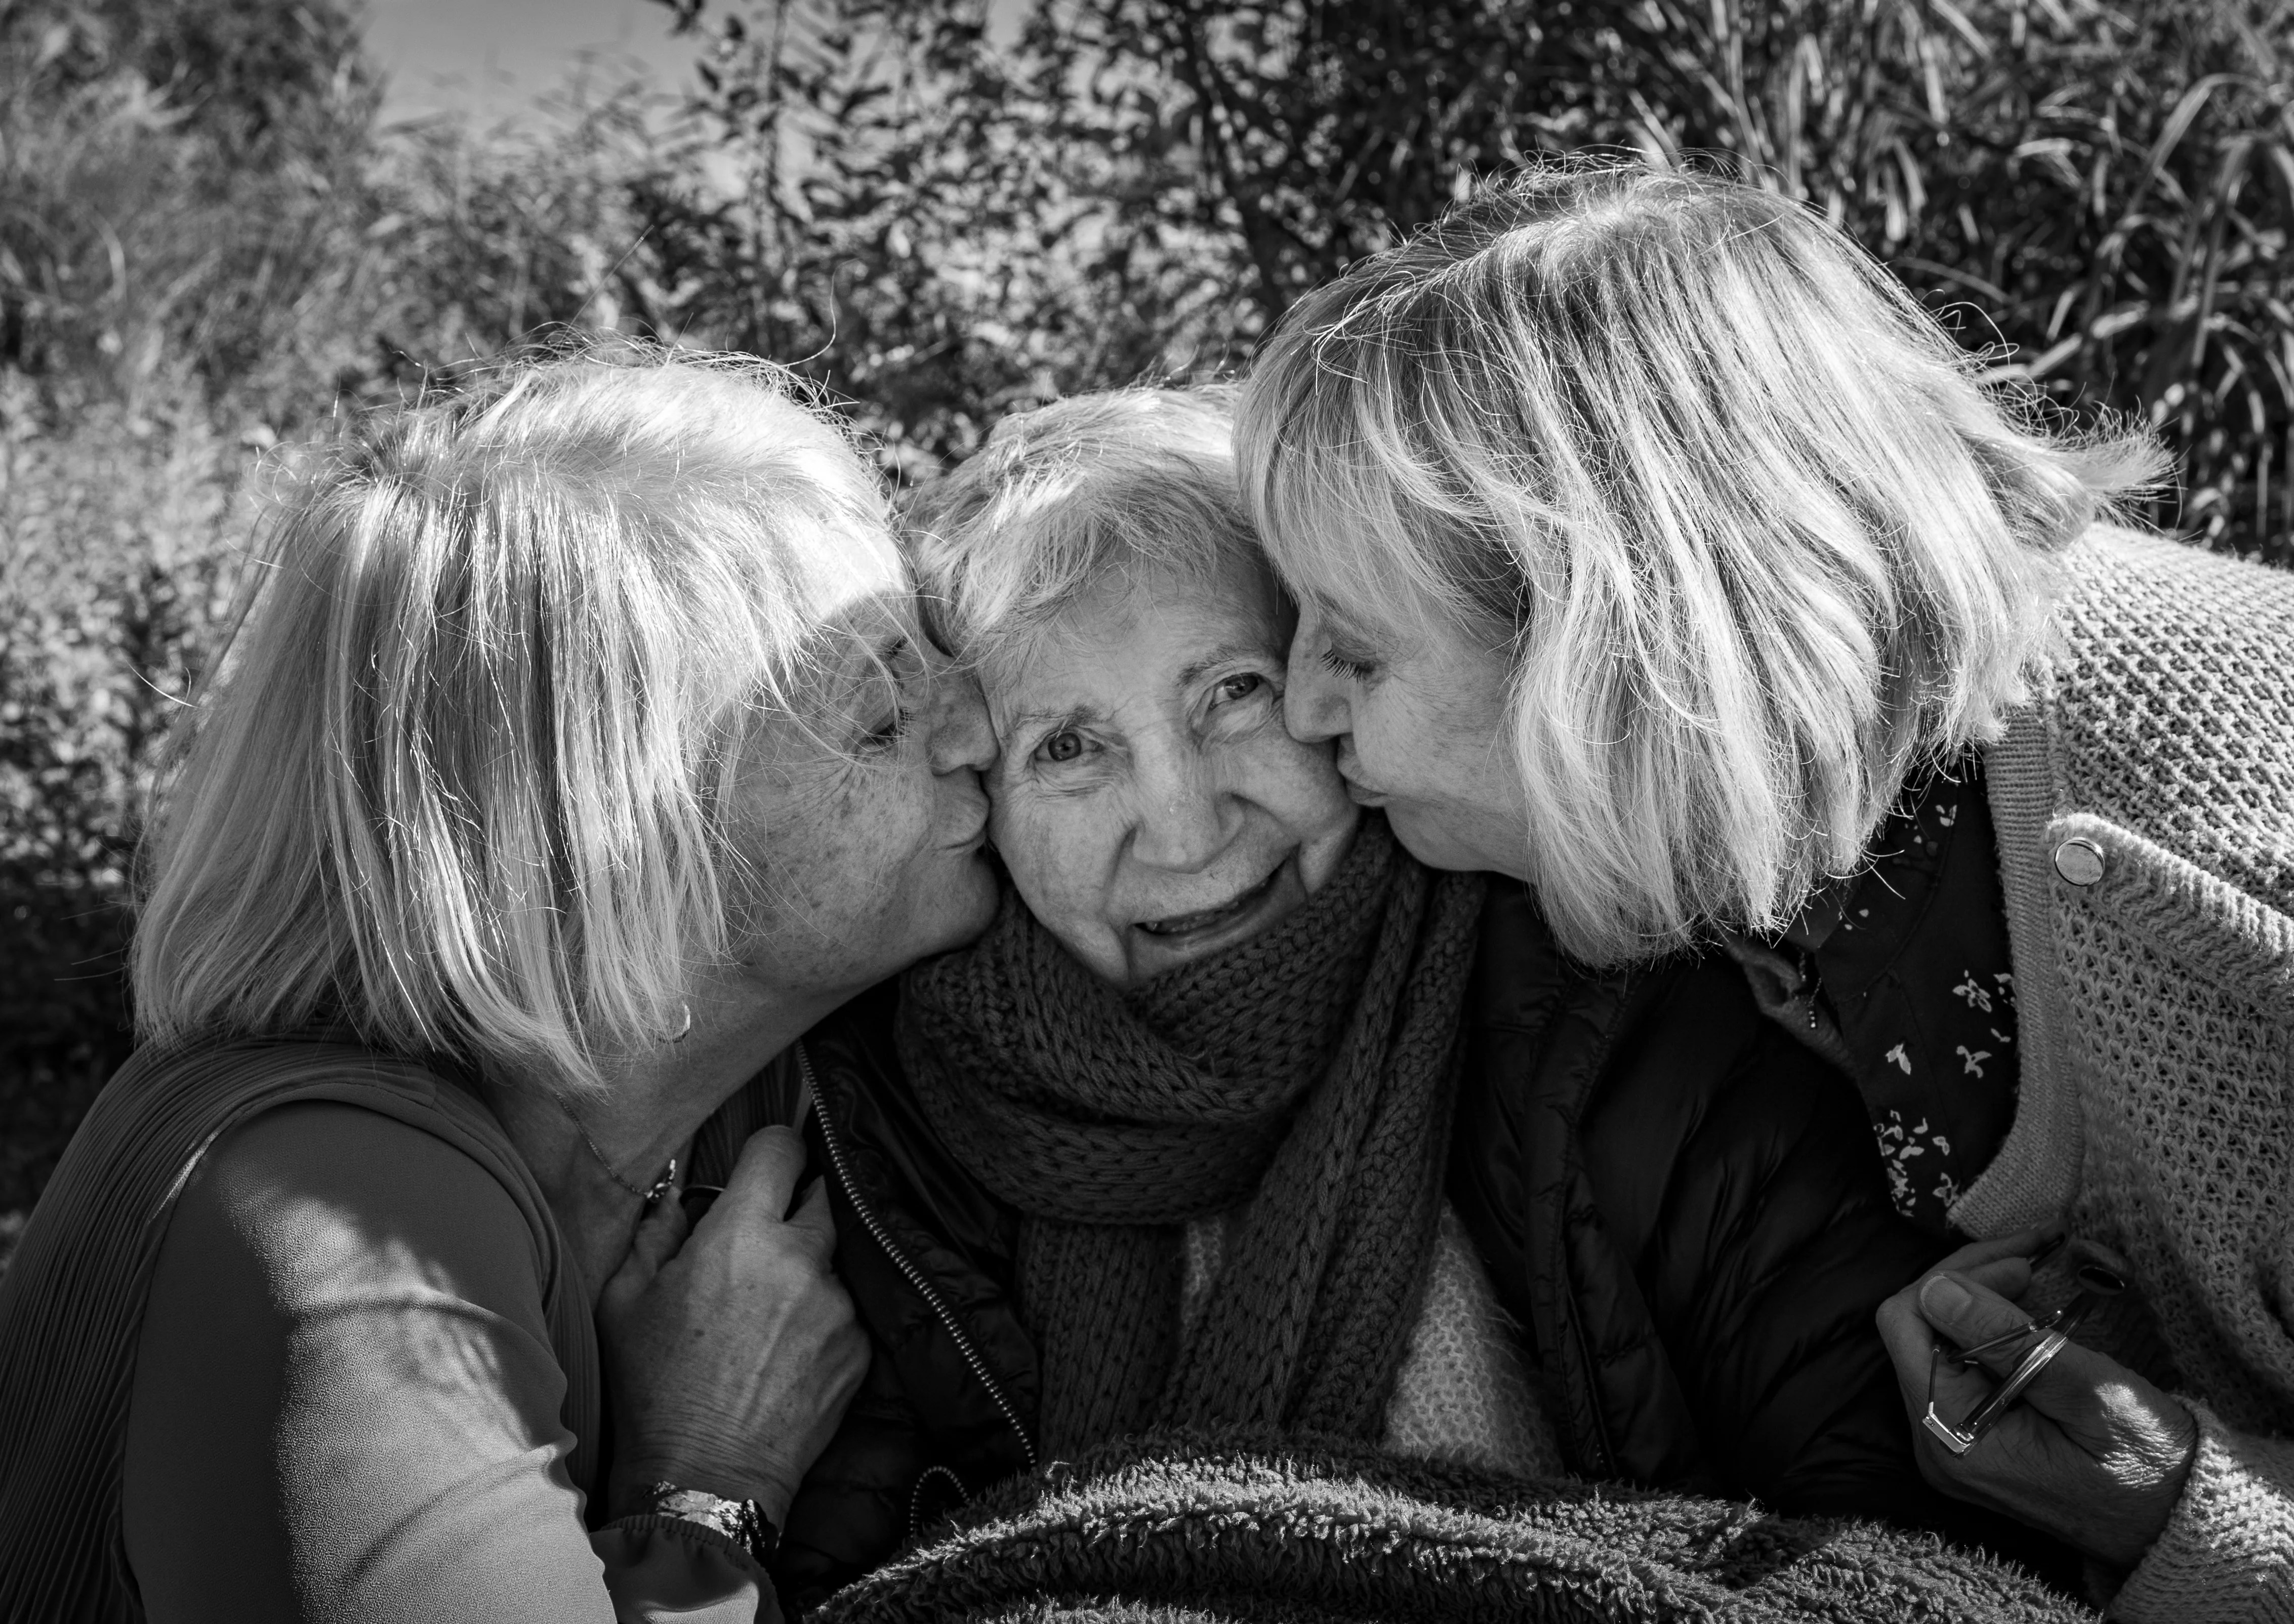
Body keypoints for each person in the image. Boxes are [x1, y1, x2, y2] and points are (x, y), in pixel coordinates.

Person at [731, 385, 2025, 1612]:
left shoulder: (1613, 997)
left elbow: (1902, 1551)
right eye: (1066, 748)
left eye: (1231, 693)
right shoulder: (891, 1132)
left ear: (1328, 677)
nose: (1183, 827)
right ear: (979, 798)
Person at [1234, 157, 2294, 1615]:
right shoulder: (1800, 853)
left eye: (1353, 648)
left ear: (1616, 648)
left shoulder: (2224, 867)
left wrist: (2187, 1512)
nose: (1299, 711)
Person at [0, 345, 1003, 1623]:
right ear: (616, 833)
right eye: (880, 714)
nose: (976, 729)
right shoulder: (323, 1220)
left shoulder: (731, 1105)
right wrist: (708, 1481)